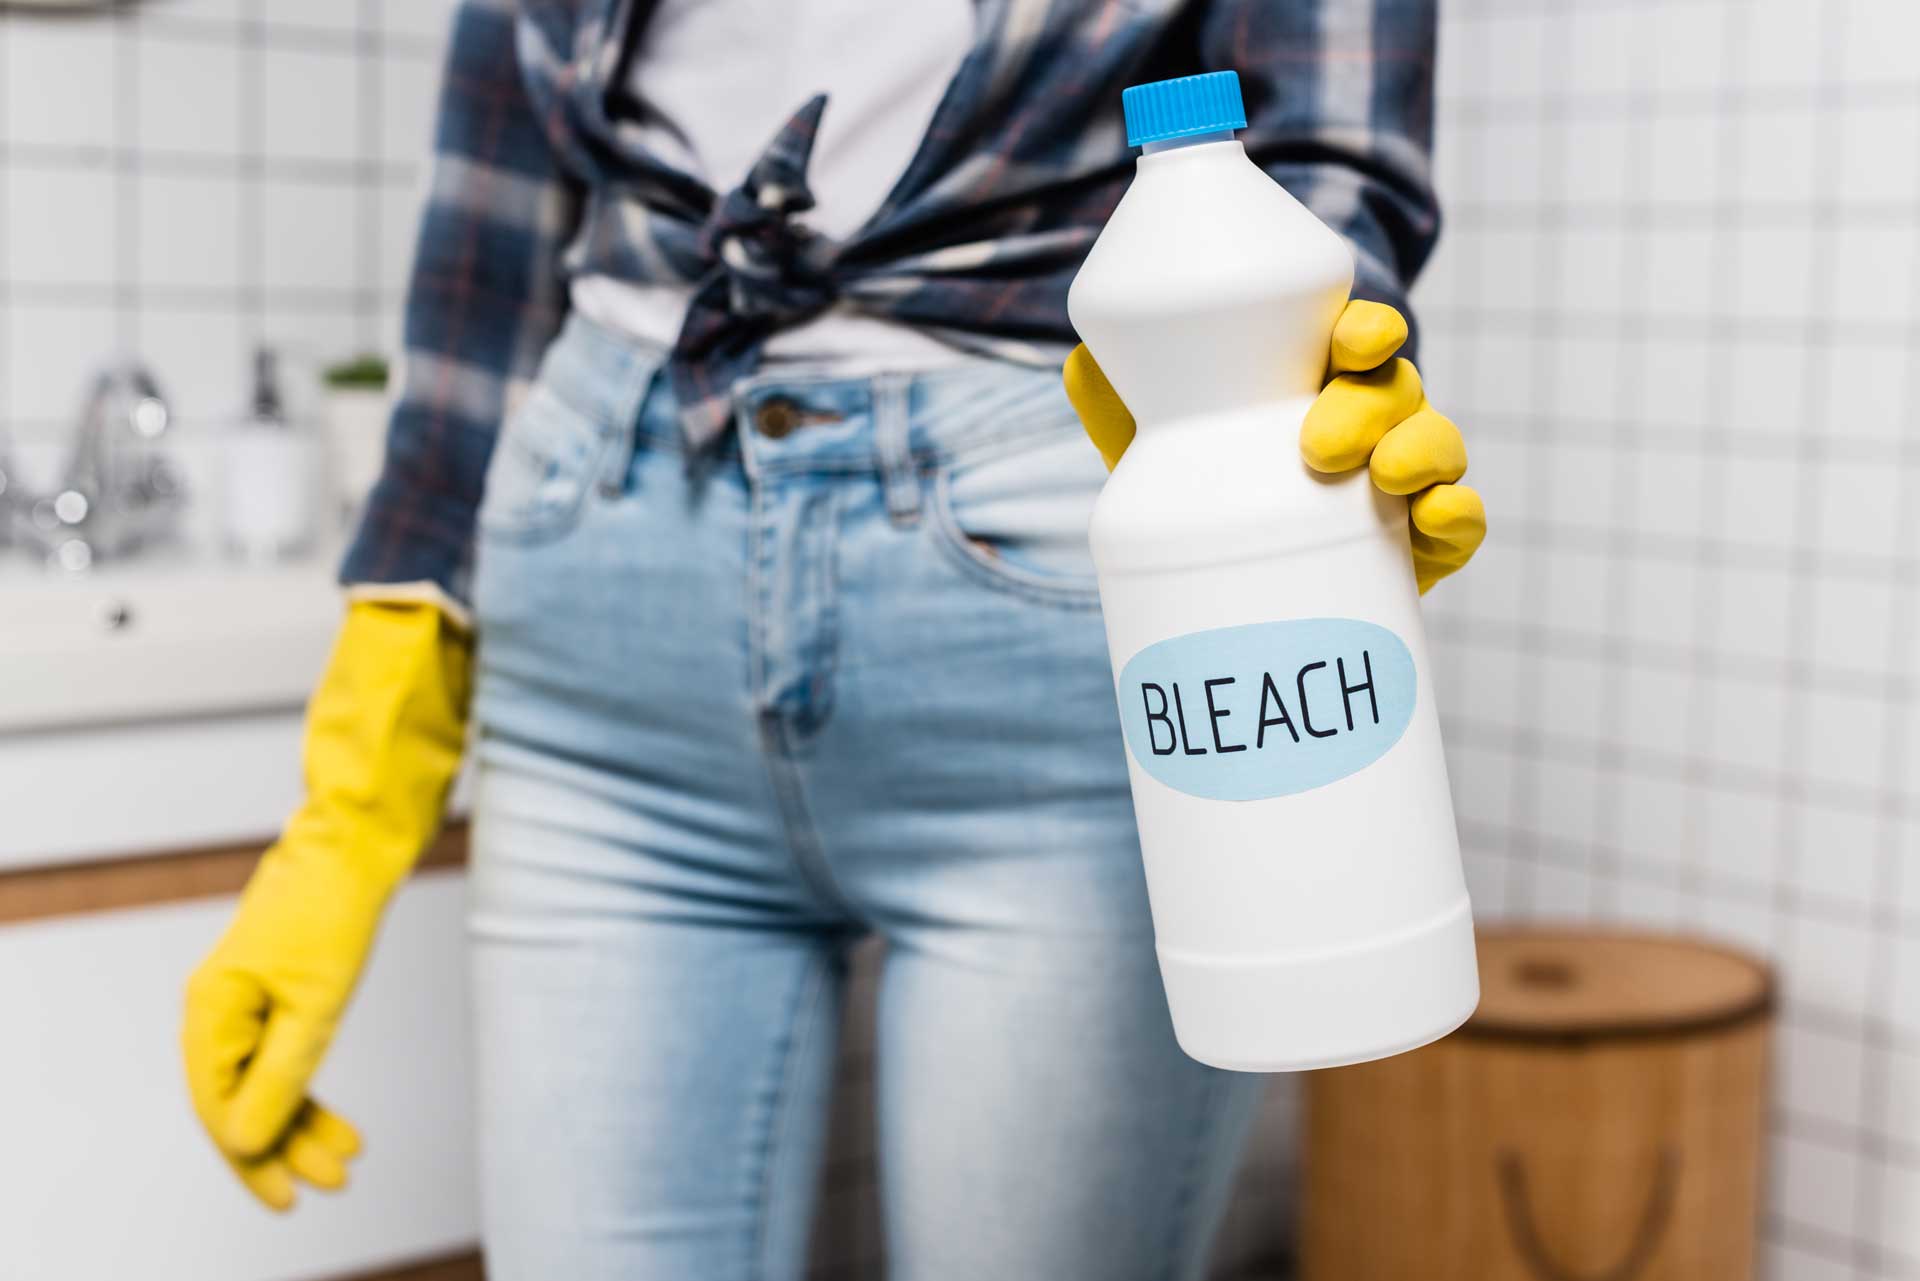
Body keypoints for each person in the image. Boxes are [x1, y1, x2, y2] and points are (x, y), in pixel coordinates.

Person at [181, 1, 1484, 1276]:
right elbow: (494, 210)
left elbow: (1327, 155)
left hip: (1052, 583)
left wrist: (1297, 422)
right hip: (607, 614)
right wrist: (361, 795)